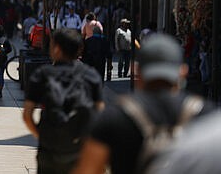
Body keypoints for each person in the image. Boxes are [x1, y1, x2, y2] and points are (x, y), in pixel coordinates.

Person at [73, 34, 211, 174]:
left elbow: (88, 170)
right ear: (183, 72)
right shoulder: (208, 117)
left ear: (136, 71)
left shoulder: (114, 117)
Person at [24, 28, 104, 174]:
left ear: (57, 48)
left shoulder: (42, 74)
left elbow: (27, 116)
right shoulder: (91, 76)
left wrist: (44, 137)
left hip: (49, 153)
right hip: (78, 152)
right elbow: (100, 117)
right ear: (80, 49)